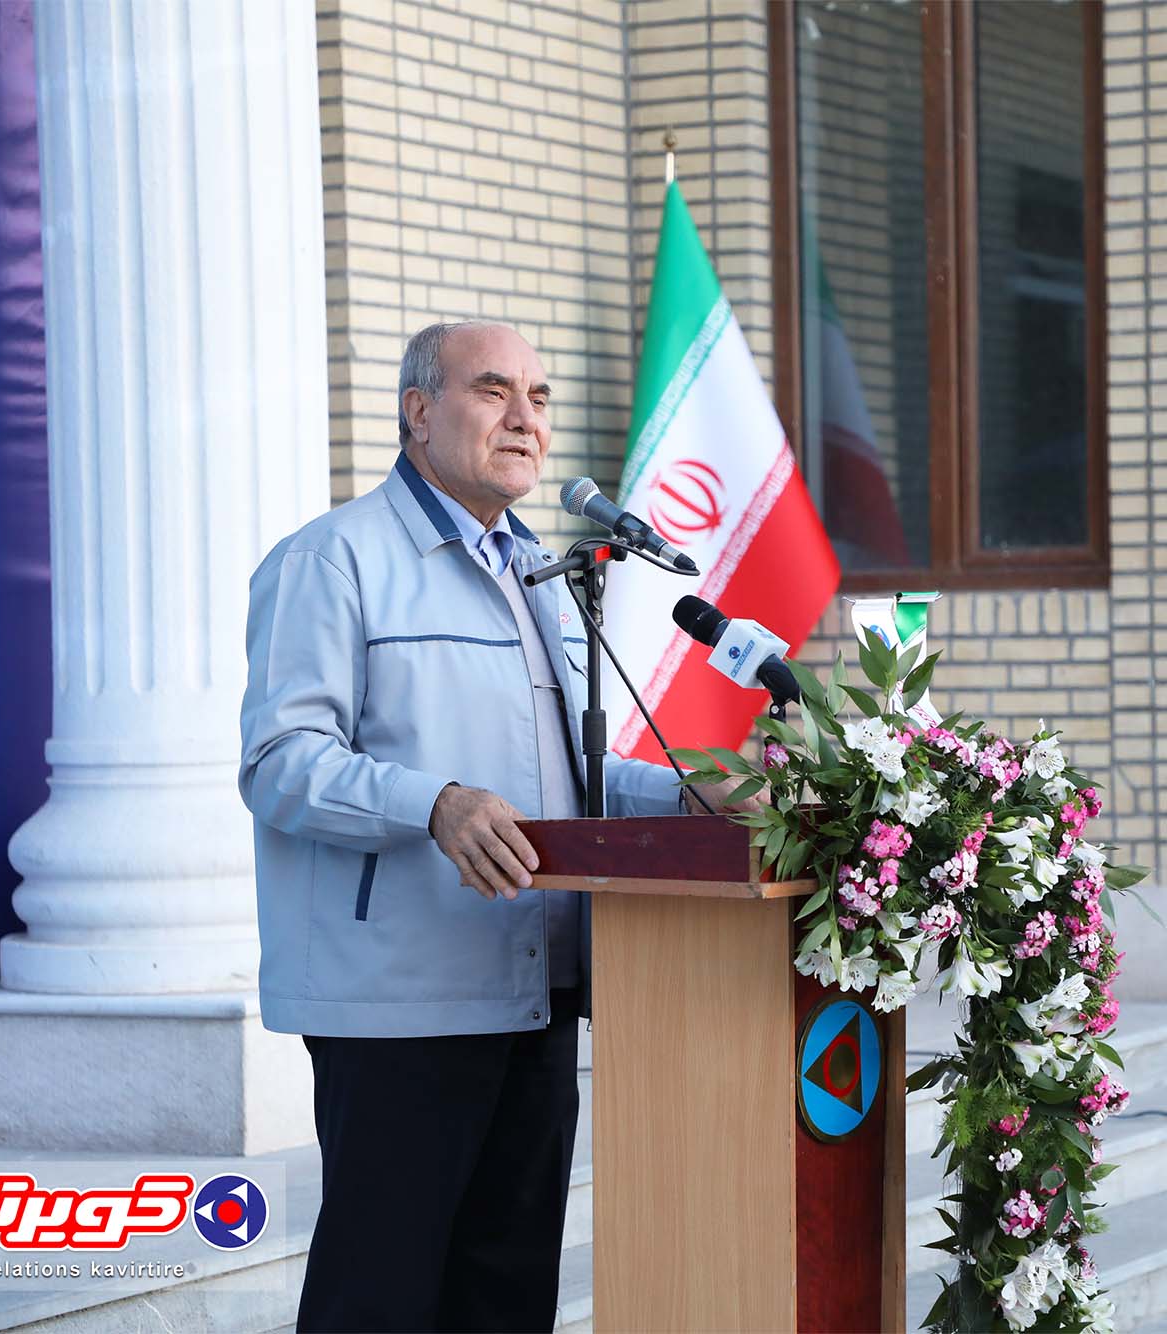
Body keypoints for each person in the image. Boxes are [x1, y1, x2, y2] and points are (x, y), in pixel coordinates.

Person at [240, 321, 749, 1331]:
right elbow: (279, 763)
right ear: (417, 411)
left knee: (507, 1298)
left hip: (536, 992)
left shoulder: (541, 575)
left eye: (540, 397)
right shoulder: (333, 559)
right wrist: (434, 802)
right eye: (492, 390)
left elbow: (568, 780)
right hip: (400, 1005)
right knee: (378, 1299)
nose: (525, 418)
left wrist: (701, 796)